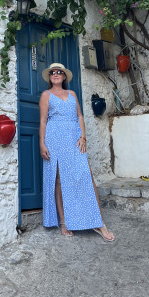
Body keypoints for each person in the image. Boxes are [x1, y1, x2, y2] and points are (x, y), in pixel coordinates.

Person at [39, 62, 115, 241]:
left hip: (75, 139)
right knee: (59, 180)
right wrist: (42, 143)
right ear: (49, 77)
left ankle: (99, 223)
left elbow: (79, 116)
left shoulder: (72, 94)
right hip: (55, 139)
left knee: (85, 176)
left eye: (59, 72)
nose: (55, 74)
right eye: (52, 72)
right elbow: (43, 121)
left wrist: (83, 136)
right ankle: (64, 221)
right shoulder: (46, 95)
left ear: (64, 76)